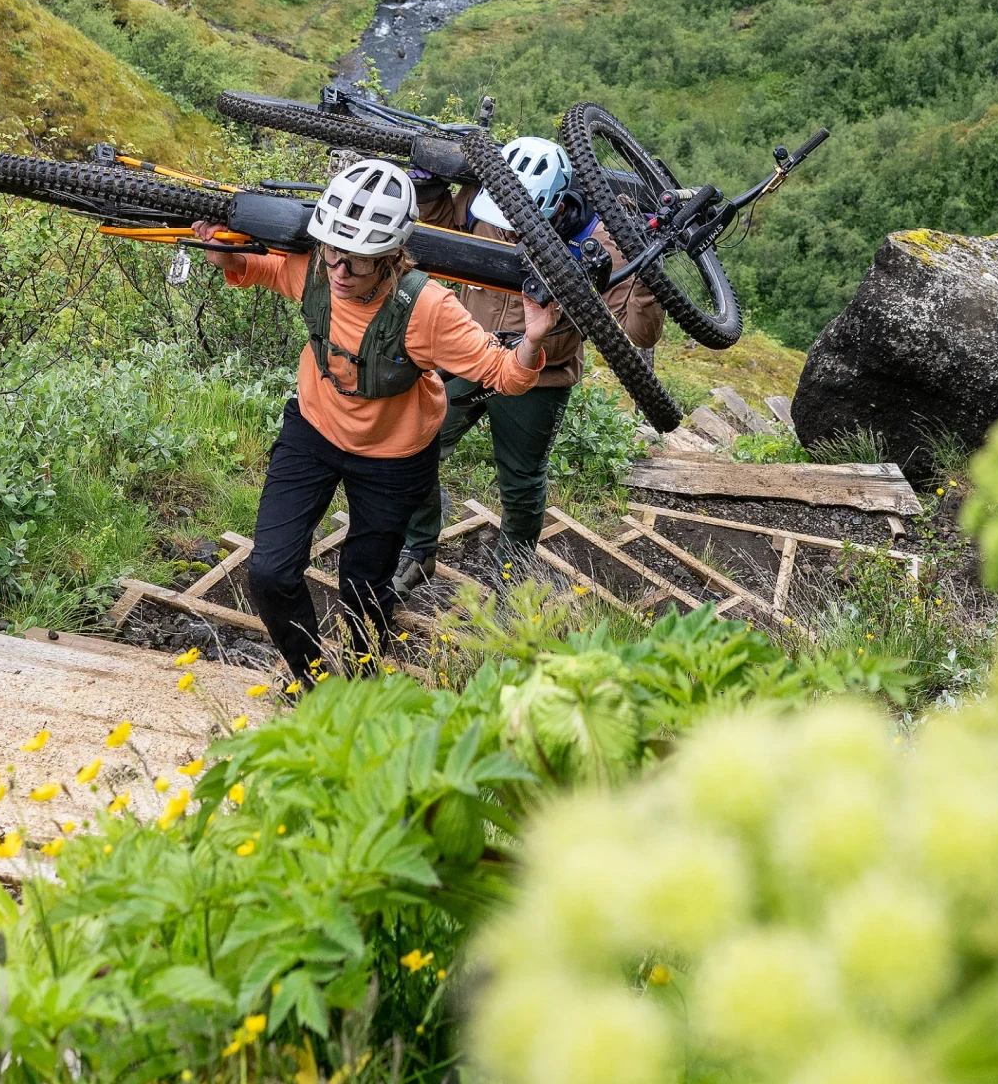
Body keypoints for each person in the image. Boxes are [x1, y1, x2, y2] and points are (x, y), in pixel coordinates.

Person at [194, 155, 559, 687]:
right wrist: (224, 253)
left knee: (363, 587)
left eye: (359, 261)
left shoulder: (428, 309)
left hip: (394, 457)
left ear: (391, 257)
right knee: (269, 572)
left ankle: (364, 681)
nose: (341, 272)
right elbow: (259, 267)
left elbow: (503, 374)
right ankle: (315, 683)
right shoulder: (316, 268)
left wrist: (533, 338)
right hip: (313, 430)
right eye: (333, 253)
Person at [397, 136, 664, 590]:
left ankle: (512, 572)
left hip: (542, 376)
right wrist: (426, 186)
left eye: (518, 224)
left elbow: (641, 333)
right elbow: (442, 228)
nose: (507, 232)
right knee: (414, 446)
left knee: (521, 481)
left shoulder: (599, 242)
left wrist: (645, 273)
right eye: (501, 221)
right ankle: (418, 548)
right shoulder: (480, 202)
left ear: (554, 207)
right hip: (470, 356)